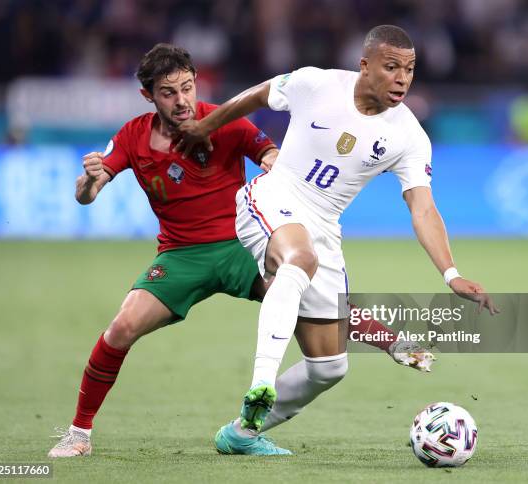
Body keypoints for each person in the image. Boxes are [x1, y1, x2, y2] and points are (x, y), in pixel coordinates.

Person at [48, 42, 431, 459]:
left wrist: (274, 165)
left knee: (305, 290)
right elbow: (88, 193)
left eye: (188, 88)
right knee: (121, 328)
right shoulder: (132, 136)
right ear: (149, 96)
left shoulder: (223, 121)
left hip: (238, 247)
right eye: (169, 92)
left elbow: (270, 155)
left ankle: (389, 342)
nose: (182, 100)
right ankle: (78, 434)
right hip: (180, 256)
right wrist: (88, 182)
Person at [175, 25, 497, 455]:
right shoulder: (316, 83)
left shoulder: (408, 135)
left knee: (328, 366)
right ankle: (262, 383)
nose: (403, 78)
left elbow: (423, 208)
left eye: (410, 69)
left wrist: (451, 274)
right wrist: (204, 127)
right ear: (364, 66)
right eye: (392, 67)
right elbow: (257, 94)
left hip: (325, 227)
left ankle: (242, 432)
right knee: (298, 259)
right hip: (274, 196)